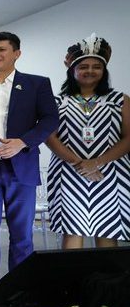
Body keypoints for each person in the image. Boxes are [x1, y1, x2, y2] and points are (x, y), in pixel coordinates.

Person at [0, 32, 58, 291]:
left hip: (22, 166)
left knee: (21, 234)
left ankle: (19, 289)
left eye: (1, 49)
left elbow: (50, 119)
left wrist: (23, 142)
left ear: (16, 54)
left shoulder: (37, 84)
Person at [46, 34, 130, 249]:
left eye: (96, 67)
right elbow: (49, 137)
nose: (90, 71)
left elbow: (129, 137)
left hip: (110, 173)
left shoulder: (120, 100)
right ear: (72, 70)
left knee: (108, 231)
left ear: (104, 71)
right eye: (83, 66)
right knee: (72, 232)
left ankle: (106, 274)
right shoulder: (57, 101)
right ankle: (74, 274)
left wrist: (97, 162)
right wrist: (80, 163)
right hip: (68, 173)